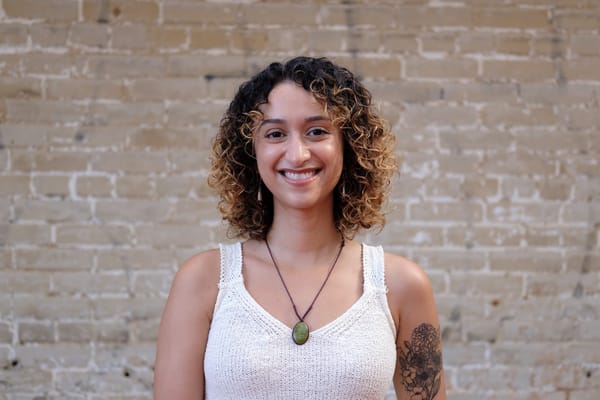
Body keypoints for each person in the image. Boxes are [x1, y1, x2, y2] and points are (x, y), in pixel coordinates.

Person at [153, 56, 447, 400]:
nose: (297, 154)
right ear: (251, 152)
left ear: (348, 145)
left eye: (317, 131)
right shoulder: (202, 280)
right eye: (275, 134)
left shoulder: (401, 285)